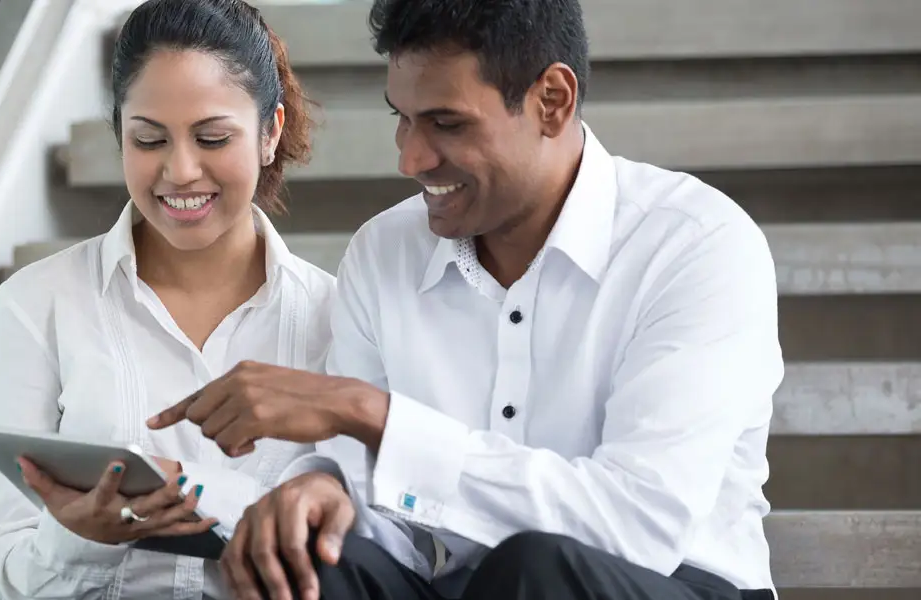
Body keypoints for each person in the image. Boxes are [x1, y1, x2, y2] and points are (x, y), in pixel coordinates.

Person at [147, 0, 784, 599]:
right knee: (308, 563)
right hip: (463, 585)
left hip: (661, 581)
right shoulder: (384, 250)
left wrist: (371, 413)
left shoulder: (694, 246)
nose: (411, 158)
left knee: (534, 568)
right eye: (402, 118)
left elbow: (637, 526)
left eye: (446, 123)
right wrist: (323, 489)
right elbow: (381, 506)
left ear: (551, 102)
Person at [0, 0, 335, 598]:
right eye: (149, 139)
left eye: (213, 137)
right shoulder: (35, 304)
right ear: (119, 132)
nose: (180, 170)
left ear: (270, 131)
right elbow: (2, 572)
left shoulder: (336, 316)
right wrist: (79, 536)